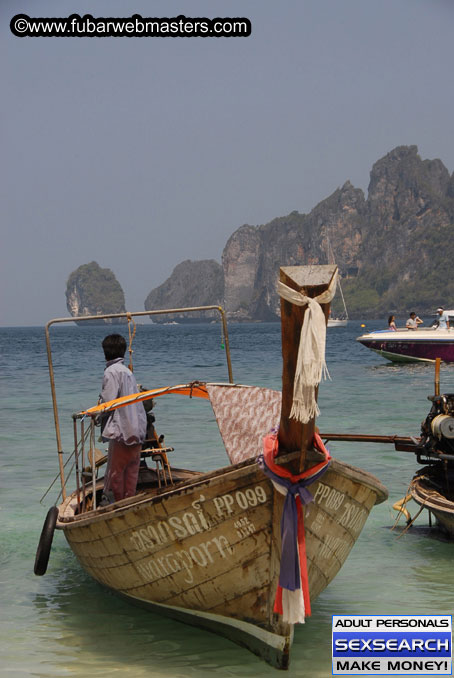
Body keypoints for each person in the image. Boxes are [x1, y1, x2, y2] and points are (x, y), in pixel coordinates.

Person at [100, 334, 147, 503]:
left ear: (105, 353)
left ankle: (119, 503)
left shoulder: (111, 372)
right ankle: (129, 500)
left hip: (122, 429)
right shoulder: (127, 371)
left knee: (116, 471)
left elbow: (108, 401)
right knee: (132, 470)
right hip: (137, 428)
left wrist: (95, 414)